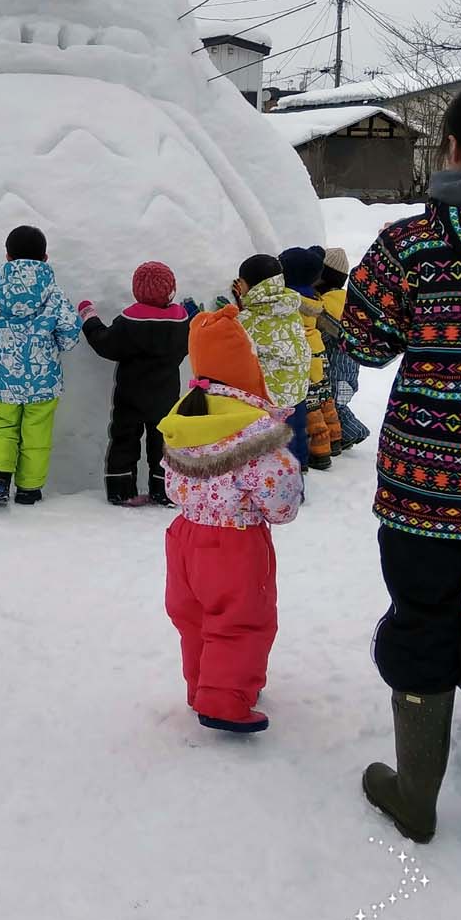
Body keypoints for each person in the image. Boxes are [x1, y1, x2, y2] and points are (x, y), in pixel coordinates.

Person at [343, 82, 461, 843]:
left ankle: (416, 794)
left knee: (423, 618)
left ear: (452, 150)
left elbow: (363, 345)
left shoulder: (412, 244)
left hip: (428, 488)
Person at [159, 304, 302, 734]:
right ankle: (224, 699)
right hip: (235, 544)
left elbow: (170, 484)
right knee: (241, 620)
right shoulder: (254, 433)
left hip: (183, 538)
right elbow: (281, 502)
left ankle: (202, 684)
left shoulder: (185, 418)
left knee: (194, 617)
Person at [0, 224, 81, 506]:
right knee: (37, 432)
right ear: (45, 258)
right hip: (43, 378)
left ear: (7, 256)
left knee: (3, 426)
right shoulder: (53, 294)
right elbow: (70, 333)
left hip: (4, 375)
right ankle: (29, 490)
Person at [78, 261, 191, 506]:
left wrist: (90, 318)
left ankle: (121, 488)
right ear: (171, 291)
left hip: (131, 395)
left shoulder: (130, 322)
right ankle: (165, 490)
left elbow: (105, 344)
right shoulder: (182, 323)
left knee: (124, 439)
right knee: (163, 443)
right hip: (165, 396)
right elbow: (190, 344)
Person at [232, 253, 310, 468]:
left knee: (270, 455)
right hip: (294, 390)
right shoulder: (289, 308)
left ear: (254, 286)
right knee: (291, 445)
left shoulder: (247, 320)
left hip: (269, 398)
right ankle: (296, 483)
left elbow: (239, 339)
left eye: (243, 283)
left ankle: (275, 493)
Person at [279, 246, 338, 469]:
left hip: (301, 355)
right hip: (317, 352)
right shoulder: (313, 297)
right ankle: (331, 443)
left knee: (308, 411)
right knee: (322, 403)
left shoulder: (289, 298)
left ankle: (311, 456)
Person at [317, 247, 369, 450]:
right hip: (349, 373)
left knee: (333, 409)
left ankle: (351, 433)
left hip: (334, 375)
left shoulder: (325, 307)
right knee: (338, 406)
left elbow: (320, 335)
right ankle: (351, 432)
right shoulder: (345, 301)